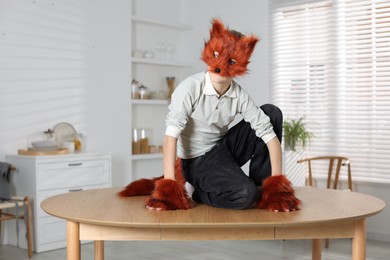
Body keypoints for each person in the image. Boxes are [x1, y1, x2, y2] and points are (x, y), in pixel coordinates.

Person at [119, 19, 300, 212]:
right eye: (217, 56)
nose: (221, 66)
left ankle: (260, 188)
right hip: (196, 158)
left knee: (271, 113)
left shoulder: (239, 95)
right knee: (245, 196)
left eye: (230, 61)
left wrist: (277, 188)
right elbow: (170, 137)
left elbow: (269, 136)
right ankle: (198, 191)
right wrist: (170, 187)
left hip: (222, 148)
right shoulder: (190, 89)